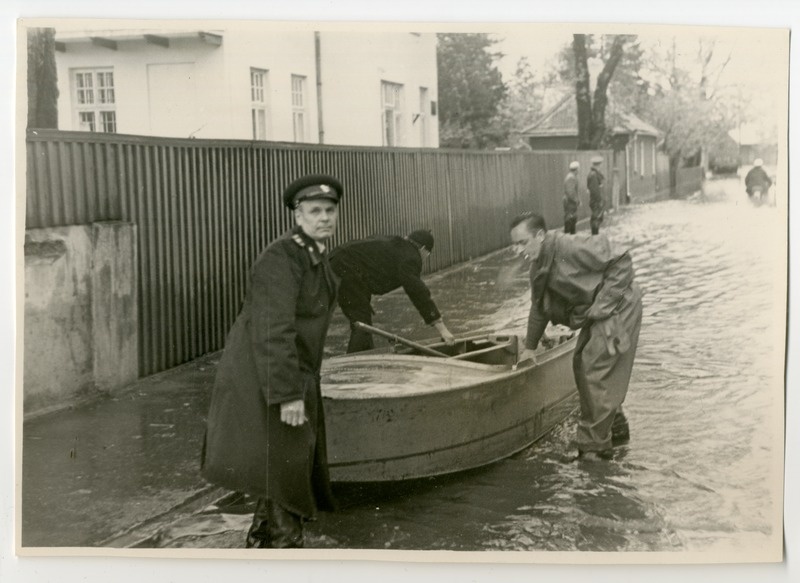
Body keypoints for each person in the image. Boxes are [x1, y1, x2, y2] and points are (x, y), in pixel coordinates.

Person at [201, 174, 343, 548]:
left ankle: (262, 544)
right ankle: (283, 550)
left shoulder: (313, 255)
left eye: (330, 210)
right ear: (298, 216)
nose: (324, 218)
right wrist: (287, 395)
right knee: (287, 470)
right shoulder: (281, 257)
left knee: (282, 467)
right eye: (314, 211)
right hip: (268, 379)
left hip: (291, 375)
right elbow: (272, 330)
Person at [509, 212, 642, 461]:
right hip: (598, 312)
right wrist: (529, 347)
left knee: (595, 368)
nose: (518, 250)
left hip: (619, 304)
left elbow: (622, 259)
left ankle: (595, 453)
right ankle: (616, 429)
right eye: (513, 245)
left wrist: (602, 307)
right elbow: (539, 308)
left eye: (522, 242)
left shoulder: (569, 246)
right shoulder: (538, 266)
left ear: (540, 235)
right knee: (580, 363)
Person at [329, 230, 456, 353]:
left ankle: (363, 356)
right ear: (423, 249)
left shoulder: (396, 245)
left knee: (360, 320)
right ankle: (354, 366)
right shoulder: (411, 257)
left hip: (334, 261)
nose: (425, 259)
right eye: (427, 255)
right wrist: (442, 329)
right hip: (344, 267)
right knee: (362, 322)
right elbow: (418, 293)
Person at [587, 156, 606, 235]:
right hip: (596, 201)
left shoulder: (595, 174)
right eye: (600, 165)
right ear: (597, 165)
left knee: (598, 218)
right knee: (596, 218)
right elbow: (595, 191)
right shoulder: (593, 175)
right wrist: (599, 201)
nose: (601, 167)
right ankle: (594, 236)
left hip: (597, 201)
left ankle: (595, 235)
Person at [563, 160, 580, 234]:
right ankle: (568, 238)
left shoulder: (572, 176)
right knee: (569, 220)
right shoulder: (571, 178)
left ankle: (571, 236)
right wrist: (577, 201)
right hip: (570, 203)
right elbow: (570, 193)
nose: (579, 170)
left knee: (572, 220)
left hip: (571, 202)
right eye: (578, 169)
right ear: (576, 169)